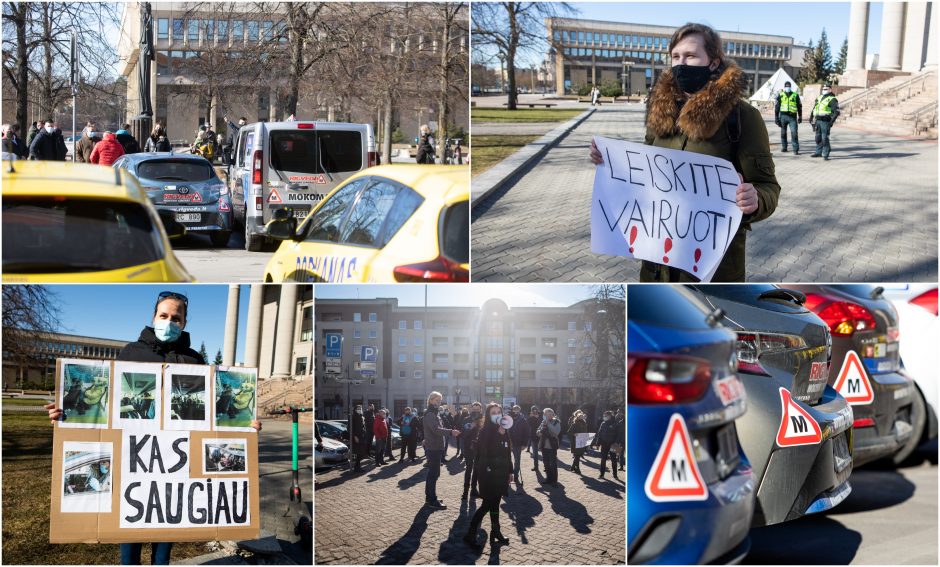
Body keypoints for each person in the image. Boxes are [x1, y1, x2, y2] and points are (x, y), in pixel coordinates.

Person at [45, 290, 261, 566]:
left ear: (184, 322)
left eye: (176, 318)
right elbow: (106, 407)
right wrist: (65, 415)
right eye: (164, 316)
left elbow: (212, 414)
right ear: (154, 317)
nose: (169, 322)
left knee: (165, 537)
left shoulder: (195, 361)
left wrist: (246, 427)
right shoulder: (131, 353)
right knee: (129, 535)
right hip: (134, 460)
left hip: (175, 464)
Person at [589, 22, 780, 282]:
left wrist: (756, 199)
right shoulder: (661, 111)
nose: (681, 63)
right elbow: (646, 174)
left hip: (712, 270)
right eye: (675, 56)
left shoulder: (742, 117)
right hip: (657, 266)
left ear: (713, 62)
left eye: (691, 56)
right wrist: (611, 162)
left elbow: (768, 187)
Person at [463, 403, 513, 549]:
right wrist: (499, 434)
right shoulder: (485, 433)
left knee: (495, 504)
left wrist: (510, 471)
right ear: (488, 415)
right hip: (489, 476)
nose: (497, 414)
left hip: (501, 475)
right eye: (493, 412)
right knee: (486, 505)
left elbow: (507, 453)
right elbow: (484, 456)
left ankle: (495, 532)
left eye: (499, 412)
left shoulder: (504, 431)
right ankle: (470, 534)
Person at [422, 391, 460, 509]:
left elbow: (434, 429)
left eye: (440, 400)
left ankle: (430, 497)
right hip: (433, 448)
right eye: (436, 400)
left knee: (432, 474)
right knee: (434, 474)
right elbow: (436, 429)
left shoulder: (434, 413)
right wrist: (450, 432)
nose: (438, 402)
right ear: (430, 400)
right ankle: (432, 500)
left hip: (436, 447)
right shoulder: (430, 414)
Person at [810, 83, 840, 161]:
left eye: (826, 89)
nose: (824, 90)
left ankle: (826, 153)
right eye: (823, 88)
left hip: (825, 121)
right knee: (818, 138)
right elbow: (815, 108)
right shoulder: (819, 97)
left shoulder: (832, 99)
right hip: (818, 120)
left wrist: (831, 122)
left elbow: (836, 112)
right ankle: (818, 152)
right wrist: (811, 117)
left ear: (830, 90)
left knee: (824, 138)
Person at [462, 403, 484, 500]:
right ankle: (465, 492)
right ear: (471, 409)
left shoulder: (483, 419)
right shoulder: (466, 419)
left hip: (479, 448)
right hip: (468, 448)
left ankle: (474, 490)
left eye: (478, 409)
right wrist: (472, 426)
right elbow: (464, 434)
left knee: (477, 469)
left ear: (481, 410)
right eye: (474, 409)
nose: (476, 411)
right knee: (469, 468)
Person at [774, 80, 802, 154]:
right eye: (786, 86)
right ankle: (784, 147)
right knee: (783, 133)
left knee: (794, 133)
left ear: (790, 87)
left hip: (793, 117)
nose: (788, 88)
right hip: (783, 117)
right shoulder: (781, 95)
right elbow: (777, 107)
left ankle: (795, 150)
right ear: (784, 87)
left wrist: (800, 116)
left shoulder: (795, 95)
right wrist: (776, 118)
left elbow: (799, 107)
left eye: (789, 86)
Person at [592, 410, 620, 480]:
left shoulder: (615, 423)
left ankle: (615, 474)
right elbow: (600, 434)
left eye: (606, 416)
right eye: (604, 416)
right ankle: (601, 474)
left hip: (613, 444)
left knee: (614, 460)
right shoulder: (603, 423)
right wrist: (598, 443)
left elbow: (618, 435)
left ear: (610, 416)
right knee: (603, 459)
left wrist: (616, 443)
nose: (604, 417)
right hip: (604, 444)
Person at [536, 407, 560, 484]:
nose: (548, 415)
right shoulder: (543, 422)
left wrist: (548, 424)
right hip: (544, 445)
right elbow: (537, 432)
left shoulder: (556, 422)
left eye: (550, 414)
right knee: (546, 463)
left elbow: (556, 432)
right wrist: (540, 431)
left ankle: (554, 480)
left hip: (552, 446)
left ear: (553, 414)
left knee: (553, 464)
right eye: (546, 414)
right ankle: (548, 478)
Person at [508, 405, 529, 487]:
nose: (515, 411)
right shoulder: (509, 418)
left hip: (517, 444)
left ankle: (516, 476)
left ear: (520, 410)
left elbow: (526, 433)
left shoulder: (523, 420)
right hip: (508, 443)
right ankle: (509, 476)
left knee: (517, 460)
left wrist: (524, 444)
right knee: (507, 460)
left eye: (517, 410)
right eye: (514, 410)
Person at [567, 410, 588, 474]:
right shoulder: (574, 423)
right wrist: (574, 434)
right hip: (575, 442)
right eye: (580, 416)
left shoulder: (584, 423)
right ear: (577, 417)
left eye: (582, 416)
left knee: (578, 455)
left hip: (581, 441)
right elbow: (569, 432)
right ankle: (577, 469)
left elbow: (585, 432)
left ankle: (573, 467)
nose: (581, 417)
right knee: (577, 455)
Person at [351, 405, 369, 471]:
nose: (359, 409)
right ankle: (357, 467)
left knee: (362, 453)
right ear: (355, 409)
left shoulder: (362, 416)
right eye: (358, 408)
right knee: (358, 453)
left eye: (360, 408)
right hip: (357, 437)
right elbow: (350, 428)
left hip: (362, 437)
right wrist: (354, 436)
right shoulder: (353, 416)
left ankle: (357, 466)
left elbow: (363, 427)